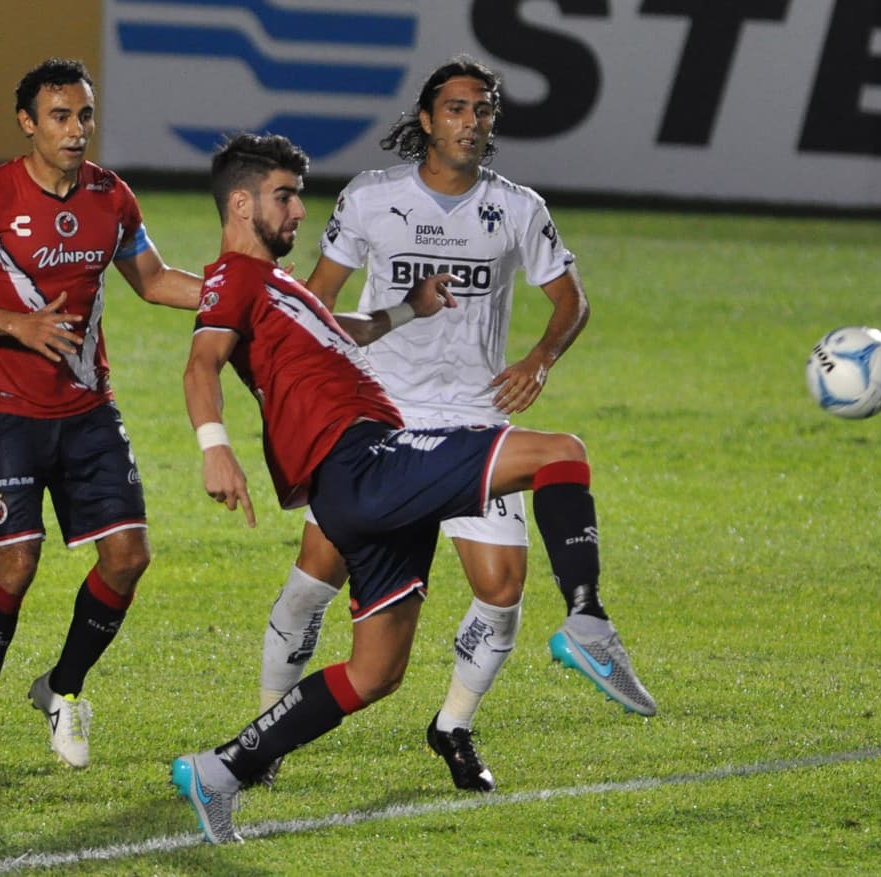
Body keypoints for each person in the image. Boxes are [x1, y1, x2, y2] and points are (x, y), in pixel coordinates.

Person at [171, 131, 647, 845]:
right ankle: (586, 618)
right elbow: (202, 362)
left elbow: (345, 328)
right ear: (240, 205)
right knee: (559, 453)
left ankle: (221, 769)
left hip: (364, 480)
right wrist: (216, 449)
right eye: (285, 195)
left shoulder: (281, 289)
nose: (300, 209)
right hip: (364, 460)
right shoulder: (235, 279)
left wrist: (408, 310)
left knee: (375, 671)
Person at [255, 55, 655, 793]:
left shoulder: (518, 208)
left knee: (502, 588)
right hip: (375, 416)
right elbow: (313, 304)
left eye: (486, 110)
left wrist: (540, 357)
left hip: (474, 417)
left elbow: (572, 301)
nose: (474, 122)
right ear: (428, 119)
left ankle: (454, 725)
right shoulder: (371, 199)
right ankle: (266, 728)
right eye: (460, 109)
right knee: (315, 577)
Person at [0, 58, 202, 779]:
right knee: (15, 566)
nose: (76, 131)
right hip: (12, 410)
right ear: (27, 122)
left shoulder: (112, 197)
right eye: (59, 116)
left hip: (89, 408)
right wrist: (17, 326)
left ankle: (63, 686)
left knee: (129, 556)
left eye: (84, 116)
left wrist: (242, 295)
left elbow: (155, 279)